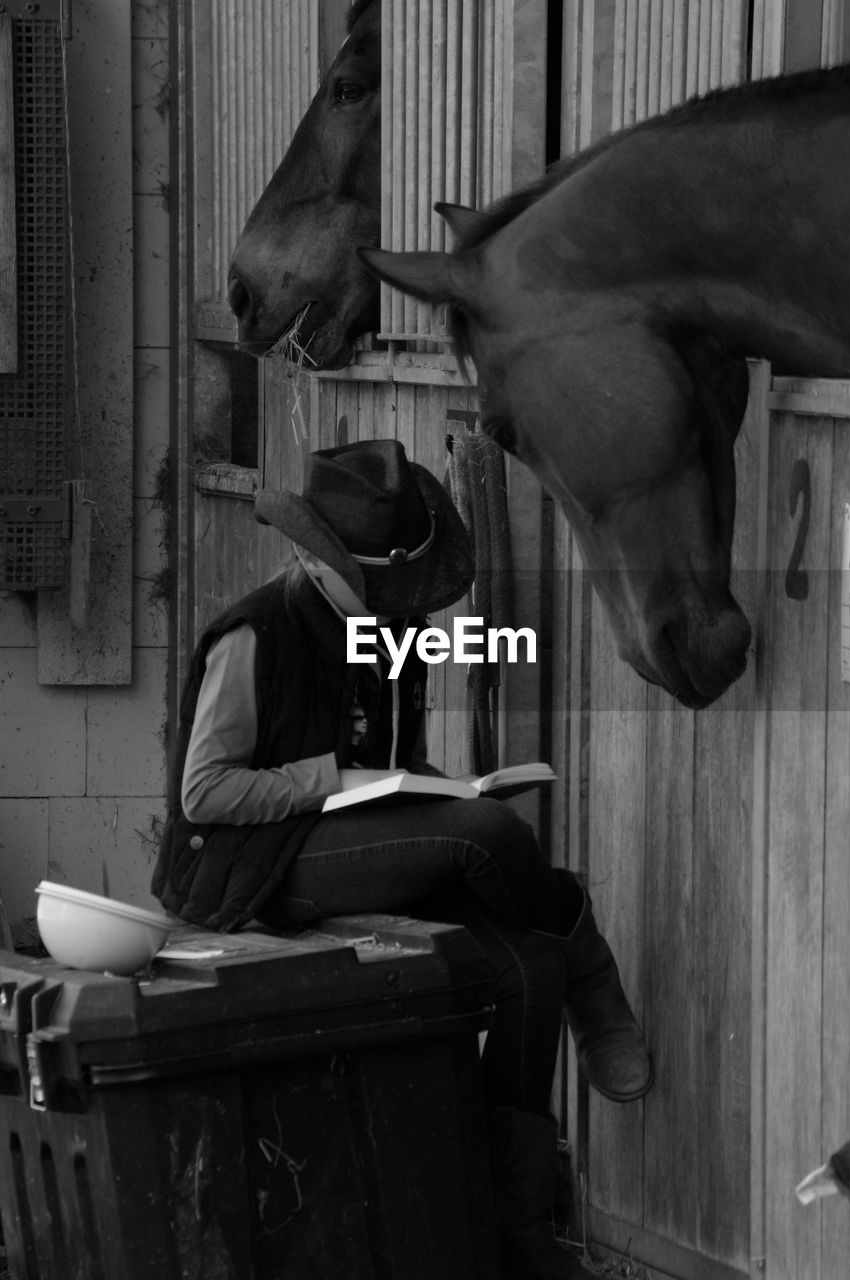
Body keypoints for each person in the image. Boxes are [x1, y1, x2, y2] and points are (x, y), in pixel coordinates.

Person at [152, 439, 653, 1280]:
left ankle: (518, 1244)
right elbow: (204, 793)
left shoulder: (389, 632)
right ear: (326, 561)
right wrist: (334, 778)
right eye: (383, 588)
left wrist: (443, 784)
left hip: (359, 839)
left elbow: (398, 761)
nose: (398, 607)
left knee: (527, 971)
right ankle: (587, 953)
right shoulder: (255, 631)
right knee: (483, 838)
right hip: (258, 872)